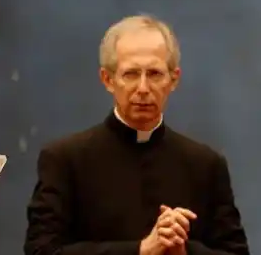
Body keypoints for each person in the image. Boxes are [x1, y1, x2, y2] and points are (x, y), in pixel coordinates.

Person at [24, 14, 250, 255]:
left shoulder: (205, 164)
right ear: (107, 79)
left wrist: (183, 250)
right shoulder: (65, 160)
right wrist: (141, 250)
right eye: (130, 74)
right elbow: (41, 251)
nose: (143, 88)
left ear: (173, 80)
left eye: (154, 74)